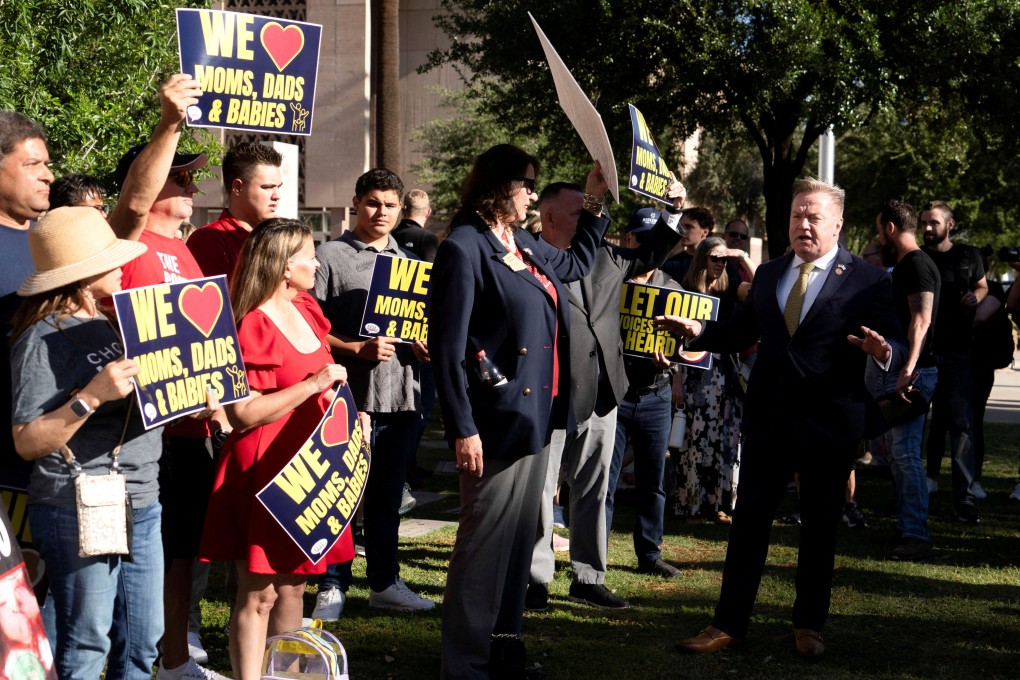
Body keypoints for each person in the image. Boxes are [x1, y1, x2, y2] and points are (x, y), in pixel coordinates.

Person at [661, 178, 905, 661]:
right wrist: (700, 330)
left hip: (830, 424)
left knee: (818, 529)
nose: (804, 225)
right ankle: (728, 624)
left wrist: (884, 352)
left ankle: (809, 625)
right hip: (769, 420)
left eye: (814, 216)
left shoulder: (869, 279)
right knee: (749, 523)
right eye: (797, 216)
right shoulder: (770, 274)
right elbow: (742, 331)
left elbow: (893, 343)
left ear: (838, 224)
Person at [430, 144, 609, 679]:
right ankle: (464, 664)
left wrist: (595, 204)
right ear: (497, 185)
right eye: (527, 183)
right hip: (493, 419)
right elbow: (447, 349)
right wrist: (463, 429)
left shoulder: (524, 242)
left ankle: (501, 652)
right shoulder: (464, 248)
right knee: (483, 548)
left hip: (536, 417)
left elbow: (577, 262)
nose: (533, 193)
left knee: (512, 551)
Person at [198, 218, 355, 680]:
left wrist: (348, 413)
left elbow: (323, 379)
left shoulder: (306, 308)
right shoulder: (253, 323)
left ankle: (287, 676)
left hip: (310, 467)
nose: (317, 261)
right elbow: (245, 413)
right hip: (266, 469)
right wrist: (315, 384)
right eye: (309, 254)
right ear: (286, 266)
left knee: (293, 589)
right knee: (258, 593)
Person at [10, 206, 158, 680]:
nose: (121, 265)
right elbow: (27, 441)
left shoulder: (116, 322)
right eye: (110, 258)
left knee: (142, 641)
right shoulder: (42, 338)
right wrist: (92, 396)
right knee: (87, 641)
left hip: (143, 497)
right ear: (80, 273)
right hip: (79, 502)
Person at [526, 181, 683, 613]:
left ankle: (588, 577)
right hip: (551, 394)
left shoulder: (605, 254)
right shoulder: (525, 256)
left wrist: (671, 211)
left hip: (602, 393)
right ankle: (536, 579)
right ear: (550, 217)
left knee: (594, 488)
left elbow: (651, 255)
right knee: (542, 491)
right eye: (581, 213)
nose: (593, 219)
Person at [312, 168, 434, 619]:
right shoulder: (329, 256)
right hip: (351, 398)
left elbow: (418, 325)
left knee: (387, 497)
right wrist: (354, 348)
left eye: (390, 205)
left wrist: (422, 344)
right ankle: (331, 582)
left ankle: (384, 582)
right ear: (356, 203)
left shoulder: (410, 262)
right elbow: (309, 328)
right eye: (372, 202)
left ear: (401, 210)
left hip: (403, 395)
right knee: (341, 495)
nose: (380, 212)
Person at [605, 208, 683, 578]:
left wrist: (672, 361)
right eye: (640, 238)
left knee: (654, 481)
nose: (646, 246)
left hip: (656, 394)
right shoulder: (612, 282)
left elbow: (690, 344)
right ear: (630, 240)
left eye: (654, 240)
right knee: (604, 478)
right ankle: (594, 556)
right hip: (615, 395)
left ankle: (649, 554)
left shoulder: (673, 288)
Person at [868, 200, 940, 560]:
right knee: (897, 452)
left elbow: (921, 320)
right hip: (910, 369)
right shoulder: (909, 263)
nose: (877, 236)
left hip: (917, 372)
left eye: (879, 228)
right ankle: (908, 526)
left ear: (891, 229)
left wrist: (908, 369)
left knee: (907, 454)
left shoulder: (915, 264)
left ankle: (916, 535)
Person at [920, 200, 987, 522]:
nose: (928, 228)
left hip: (958, 354)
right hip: (921, 353)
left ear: (950, 224)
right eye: (924, 223)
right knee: (914, 426)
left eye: (933, 222)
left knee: (961, 427)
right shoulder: (916, 257)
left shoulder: (968, 257)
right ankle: (915, 491)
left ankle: (963, 496)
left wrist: (977, 297)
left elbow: (982, 286)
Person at [674, 236, 748, 524]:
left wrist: (741, 257)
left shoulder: (731, 290)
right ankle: (691, 504)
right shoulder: (686, 290)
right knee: (694, 438)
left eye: (724, 259)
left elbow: (760, 289)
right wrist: (677, 379)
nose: (721, 264)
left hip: (726, 371)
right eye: (715, 258)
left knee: (725, 439)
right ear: (703, 258)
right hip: (693, 371)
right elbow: (676, 337)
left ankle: (719, 504)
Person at [0, 111, 54, 495]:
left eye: (47, 165)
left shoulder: (53, 241)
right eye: (32, 164)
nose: (48, 176)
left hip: (52, 468)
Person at [393, 189, 439, 490]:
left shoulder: (391, 238)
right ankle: (405, 469)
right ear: (428, 212)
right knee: (419, 403)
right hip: (420, 333)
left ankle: (405, 465)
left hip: (392, 327)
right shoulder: (428, 241)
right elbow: (430, 281)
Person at [186, 141, 283, 284]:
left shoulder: (281, 236)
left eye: (278, 187)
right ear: (237, 187)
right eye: (268, 187)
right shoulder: (209, 240)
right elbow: (222, 303)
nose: (277, 195)